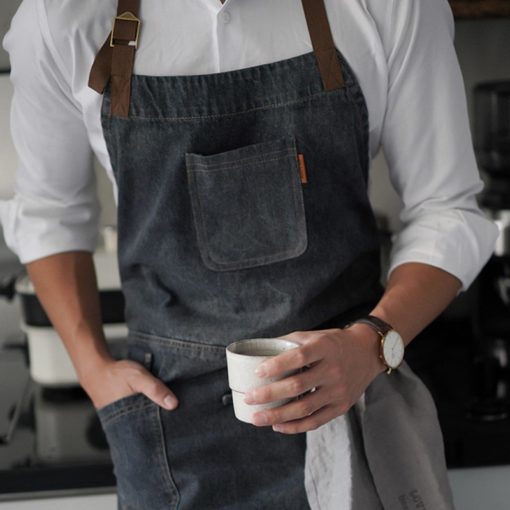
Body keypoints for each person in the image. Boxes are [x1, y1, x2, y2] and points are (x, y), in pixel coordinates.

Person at [0, 0, 499, 509]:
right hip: (170, 429)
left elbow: (446, 209)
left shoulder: (388, 5)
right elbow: (50, 214)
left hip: (351, 402)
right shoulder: (60, 16)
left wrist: (373, 345)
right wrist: (91, 368)